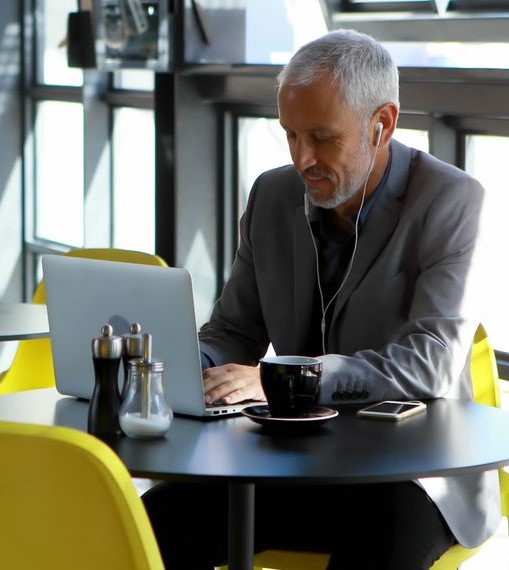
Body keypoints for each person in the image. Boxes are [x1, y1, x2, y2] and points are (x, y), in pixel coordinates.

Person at [142, 29, 501, 569]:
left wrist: (284, 376)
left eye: (321, 137)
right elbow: (233, 331)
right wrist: (178, 369)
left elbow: (429, 365)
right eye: (289, 135)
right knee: (149, 528)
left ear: (382, 125)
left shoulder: (451, 201)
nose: (301, 157)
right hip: (291, 460)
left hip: (410, 474)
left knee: (375, 546)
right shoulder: (271, 195)